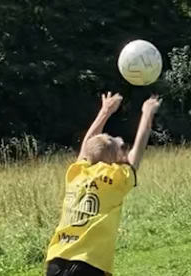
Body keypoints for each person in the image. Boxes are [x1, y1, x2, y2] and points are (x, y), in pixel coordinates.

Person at [44, 92, 161, 276]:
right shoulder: (116, 178)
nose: (122, 146)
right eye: (118, 146)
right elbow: (138, 148)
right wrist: (147, 113)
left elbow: (87, 147)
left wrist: (105, 111)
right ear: (113, 158)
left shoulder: (76, 173)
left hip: (57, 259)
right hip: (88, 264)